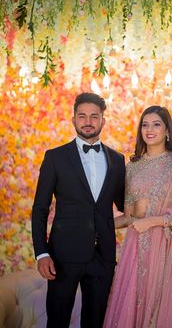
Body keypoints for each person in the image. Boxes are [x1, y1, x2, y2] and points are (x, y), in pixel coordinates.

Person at [103, 105, 172, 328]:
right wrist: (94, 228)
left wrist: (154, 221)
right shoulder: (133, 166)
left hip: (166, 247)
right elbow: (128, 217)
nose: (149, 129)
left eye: (156, 124)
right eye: (145, 125)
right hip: (135, 249)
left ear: (167, 130)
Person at [31, 92, 125, 328]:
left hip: (103, 258)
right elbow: (40, 209)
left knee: (96, 322)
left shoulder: (117, 159)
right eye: (82, 116)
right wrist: (42, 253)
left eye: (94, 116)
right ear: (73, 120)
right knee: (58, 320)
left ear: (103, 120)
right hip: (63, 257)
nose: (88, 121)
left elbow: (126, 206)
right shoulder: (55, 157)